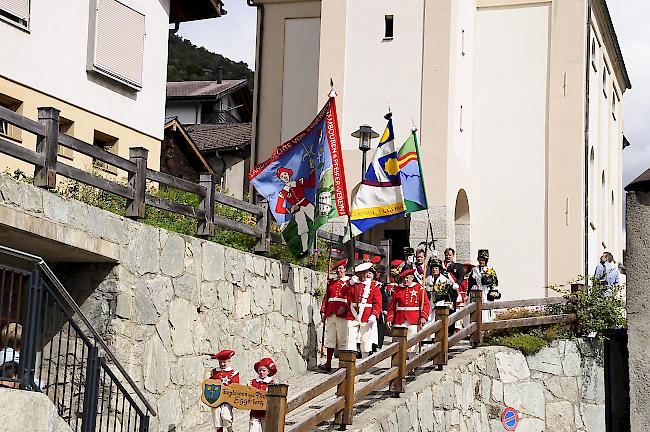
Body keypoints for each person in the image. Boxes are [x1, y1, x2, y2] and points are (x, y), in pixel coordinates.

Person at [274, 159, 316, 251]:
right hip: (297, 211)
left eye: (285, 174)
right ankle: (305, 249)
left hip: (306, 204)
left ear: (288, 174)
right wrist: (290, 210)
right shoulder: (283, 192)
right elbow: (278, 209)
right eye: (281, 176)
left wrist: (312, 168)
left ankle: (314, 247)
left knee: (315, 222)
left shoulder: (298, 182)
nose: (284, 176)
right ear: (280, 179)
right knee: (302, 229)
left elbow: (312, 184)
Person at [344, 262, 383, 358]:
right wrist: (349, 284)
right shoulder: (352, 284)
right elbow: (343, 294)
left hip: (366, 314)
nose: (362, 275)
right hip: (352, 314)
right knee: (350, 338)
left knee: (365, 340)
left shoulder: (373, 285)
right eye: (360, 273)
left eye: (364, 273)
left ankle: (364, 362)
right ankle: (350, 362)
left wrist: (374, 314)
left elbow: (377, 303)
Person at [386, 268, 430, 352]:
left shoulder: (419, 288)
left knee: (412, 344)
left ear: (412, 277)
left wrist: (423, 316)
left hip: (414, 319)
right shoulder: (397, 289)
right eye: (404, 278)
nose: (405, 280)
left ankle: (411, 362)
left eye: (407, 278)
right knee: (397, 343)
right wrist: (390, 318)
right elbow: (392, 306)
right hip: (399, 319)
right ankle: (397, 363)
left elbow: (425, 304)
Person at [319, 258, 350, 371]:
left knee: (342, 339)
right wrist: (323, 311)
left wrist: (345, 308)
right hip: (330, 313)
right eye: (337, 269)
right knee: (330, 339)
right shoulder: (331, 282)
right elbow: (326, 297)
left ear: (345, 269)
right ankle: (328, 363)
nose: (338, 271)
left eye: (341, 268)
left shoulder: (348, 282)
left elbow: (351, 299)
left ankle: (342, 364)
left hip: (342, 314)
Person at [209, 350, 239, 432]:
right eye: (220, 362)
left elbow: (235, 386)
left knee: (226, 416)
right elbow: (209, 383)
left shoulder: (233, 373)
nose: (222, 364)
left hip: (227, 399)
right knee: (216, 417)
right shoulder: (214, 372)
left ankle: (230, 430)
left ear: (229, 360)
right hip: (215, 398)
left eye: (224, 362)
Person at [427, 259, 458, 336]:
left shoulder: (445, 280)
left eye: (436, 268)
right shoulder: (427, 279)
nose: (434, 270)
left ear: (440, 269)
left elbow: (452, 293)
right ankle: (430, 336)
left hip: (441, 302)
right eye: (433, 268)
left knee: (440, 319)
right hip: (430, 302)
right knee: (430, 318)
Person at [469, 249, 498, 322]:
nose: (481, 261)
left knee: (486, 309)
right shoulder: (474, 270)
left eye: (483, 260)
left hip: (486, 291)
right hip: (476, 290)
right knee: (475, 308)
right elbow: (470, 282)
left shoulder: (490, 270)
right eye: (480, 260)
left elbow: (495, 282)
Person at [249, 357, 277, 432]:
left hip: (266, 412)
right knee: (253, 429)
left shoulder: (271, 384)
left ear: (268, 371)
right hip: (254, 412)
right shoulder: (252, 383)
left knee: (267, 429)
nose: (261, 372)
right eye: (260, 370)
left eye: (264, 370)